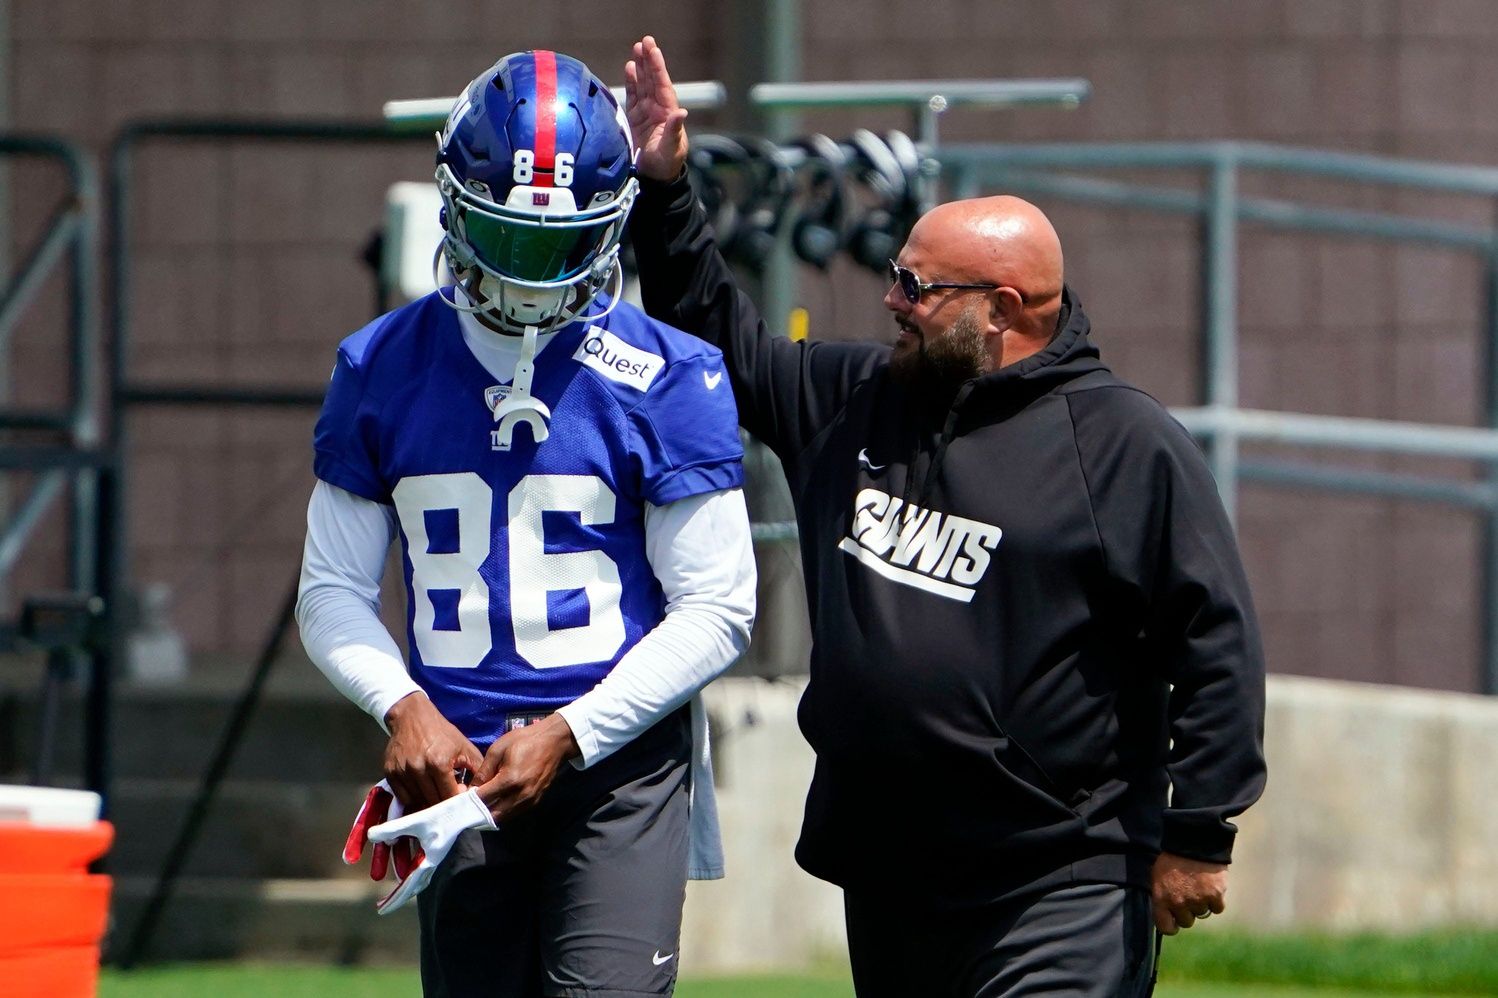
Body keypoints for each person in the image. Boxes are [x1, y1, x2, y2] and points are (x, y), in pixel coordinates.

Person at [623, 35, 1267, 998]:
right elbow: (720, 344)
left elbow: (1215, 642)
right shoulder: (856, 396)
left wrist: (1197, 831)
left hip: (1061, 875)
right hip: (890, 869)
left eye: (918, 288)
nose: (891, 299)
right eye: (897, 274)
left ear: (1003, 308)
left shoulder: (1124, 445)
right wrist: (667, 190)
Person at [295, 49, 756, 998]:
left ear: (610, 223)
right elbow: (330, 588)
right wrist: (404, 704)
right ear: (454, 204)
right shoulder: (379, 365)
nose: (523, 274)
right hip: (457, 759)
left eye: (553, 245)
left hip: (618, 758)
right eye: (502, 237)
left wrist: (574, 731)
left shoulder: (670, 373)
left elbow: (720, 608)